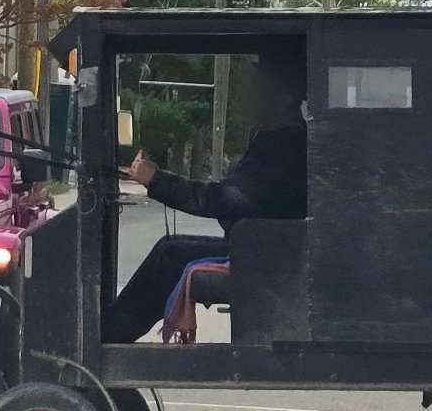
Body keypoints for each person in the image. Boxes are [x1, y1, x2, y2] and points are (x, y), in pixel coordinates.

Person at [102, 56, 308, 344]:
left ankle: (105, 340)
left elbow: (226, 200)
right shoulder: (276, 139)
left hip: (269, 256)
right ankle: (109, 334)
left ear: (284, 98)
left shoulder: (284, 146)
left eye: (261, 88)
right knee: (169, 246)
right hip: (264, 247)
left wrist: (157, 181)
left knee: (169, 257)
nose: (251, 95)